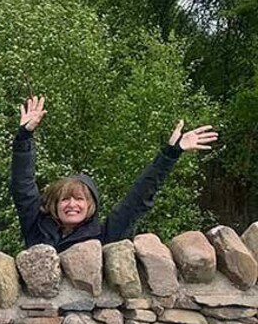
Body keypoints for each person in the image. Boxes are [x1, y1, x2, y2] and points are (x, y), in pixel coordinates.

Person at [11, 96, 219, 252]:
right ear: (55, 205)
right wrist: (24, 136)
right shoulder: (36, 225)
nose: (72, 204)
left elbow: (138, 198)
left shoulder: (104, 234)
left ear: (90, 205)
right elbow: (23, 185)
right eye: (65, 199)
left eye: (79, 199)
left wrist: (170, 154)